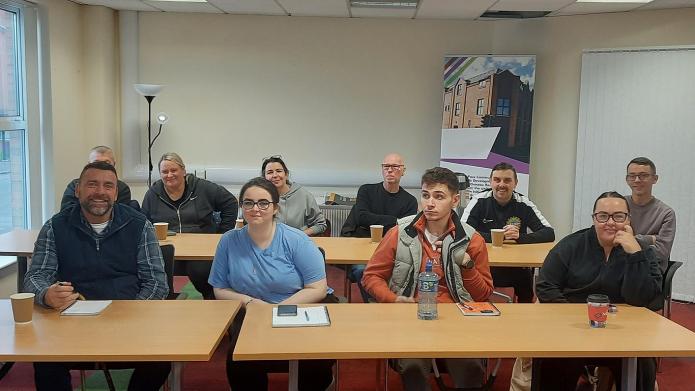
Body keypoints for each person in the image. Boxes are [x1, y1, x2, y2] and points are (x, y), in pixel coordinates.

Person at [24, 161, 170, 391]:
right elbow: (35, 276)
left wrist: (134, 314)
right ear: (78, 190)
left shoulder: (140, 225)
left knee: (160, 361)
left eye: (108, 186)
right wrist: (46, 294)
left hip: (128, 318)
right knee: (45, 362)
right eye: (92, 184)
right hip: (70, 321)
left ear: (115, 192)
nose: (100, 192)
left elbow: (156, 282)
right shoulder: (55, 226)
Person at [362, 167, 493, 391]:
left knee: (471, 367)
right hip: (411, 315)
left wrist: (467, 264)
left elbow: (483, 295)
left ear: (455, 200)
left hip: (457, 318)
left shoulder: (471, 239)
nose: (430, 203)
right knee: (412, 365)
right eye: (425, 195)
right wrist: (393, 299)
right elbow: (371, 276)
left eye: (438, 196)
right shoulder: (400, 232)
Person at [208, 177, 333, 390]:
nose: (255, 208)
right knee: (239, 359)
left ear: (275, 208)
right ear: (242, 207)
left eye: (263, 203)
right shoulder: (229, 241)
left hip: (298, 309)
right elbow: (219, 288)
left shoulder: (296, 240)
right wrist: (250, 303)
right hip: (252, 312)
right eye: (248, 203)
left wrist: (279, 310)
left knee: (315, 362)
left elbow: (317, 287)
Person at [534, 191, 662, 391]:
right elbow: (546, 285)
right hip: (572, 328)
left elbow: (647, 299)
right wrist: (570, 315)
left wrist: (634, 255)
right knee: (552, 360)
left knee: (642, 363)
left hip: (625, 332)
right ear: (594, 219)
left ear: (628, 220)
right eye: (603, 216)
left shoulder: (642, 250)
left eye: (618, 216)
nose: (610, 222)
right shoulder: (571, 245)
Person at [142, 152, 238, 299]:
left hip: (201, 250)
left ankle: (213, 307)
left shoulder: (202, 187)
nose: (169, 175)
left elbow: (230, 203)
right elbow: (144, 222)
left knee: (201, 274)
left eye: (173, 170)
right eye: (164, 172)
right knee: (163, 279)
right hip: (169, 250)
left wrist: (222, 234)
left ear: (183, 171)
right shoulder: (153, 194)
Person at [461, 162, 554, 303]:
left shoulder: (524, 203)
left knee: (526, 292)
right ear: (490, 182)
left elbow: (549, 233)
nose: (501, 184)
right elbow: (463, 231)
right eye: (497, 180)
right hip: (484, 264)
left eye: (507, 180)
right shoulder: (479, 200)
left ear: (515, 183)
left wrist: (520, 237)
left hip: (516, 267)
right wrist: (495, 237)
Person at [342, 153, 418, 302]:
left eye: (395, 167)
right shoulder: (366, 190)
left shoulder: (410, 201)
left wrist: (377, 221)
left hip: (393, 249)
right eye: (386, 167)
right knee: (361, 271)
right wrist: (395, 220)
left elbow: (406, 230)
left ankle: (383, 302)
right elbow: (362, 218)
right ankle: (375, 303)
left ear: (403, 171)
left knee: (403, 273)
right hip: (362, 244)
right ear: (382, 169)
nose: (390, 170)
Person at [625, 157, 676, 271]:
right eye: (632, 176)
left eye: (643, 175)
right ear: (627, 179)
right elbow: (609, 242)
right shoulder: (620, 205)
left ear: (655, 179)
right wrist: (650, 239)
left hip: (650, 271)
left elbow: (661, 253)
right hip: (621, 266)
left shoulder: (666, 213)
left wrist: (630, 240)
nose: (637, 180)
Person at [262, 155, 327, 235]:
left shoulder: (303, 195)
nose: (275, 175)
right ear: (264, 177)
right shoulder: (260, 197)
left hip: (298, 243)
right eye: (270, 172)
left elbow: (320, 224)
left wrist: (299, 236)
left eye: (279, 171)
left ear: (286, 174)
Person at [60, 145, 132, 210]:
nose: (101, 167)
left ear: (114, 165)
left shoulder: (122, 188)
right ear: (88, 165)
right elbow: (66, 212)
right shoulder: (75, 185)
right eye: (96, 163)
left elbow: (122, 215)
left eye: (106, 163)